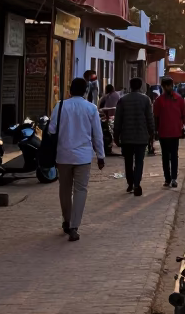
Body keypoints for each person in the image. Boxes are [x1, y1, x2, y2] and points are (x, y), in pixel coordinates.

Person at [48, 76, 105, 242]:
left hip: (63, 155)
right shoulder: (91, 108)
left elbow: (52, 130)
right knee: (80, 191)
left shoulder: (60, 106)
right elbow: (97, 134)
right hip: (83, 157)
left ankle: (66, 220)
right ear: (86, 91)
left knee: (64, 189)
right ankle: (74, 226)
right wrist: (100, 156)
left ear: (70, 90)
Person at [114, 77, 156, 195]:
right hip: (141, 136)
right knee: (139, 161)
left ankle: (130, 183)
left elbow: (118, 120)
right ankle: (137, 183)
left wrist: (116, 135)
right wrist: (152, 133)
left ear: (130, 86)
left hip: (126, 137)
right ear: (141, 86)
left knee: (128, 161)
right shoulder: (146, 100)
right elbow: (149, 119)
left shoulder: (123, 100)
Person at [153, 77, 185, 188]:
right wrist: (155, 131)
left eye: (170, 85)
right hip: (163, 133)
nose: (169, 87)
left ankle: (173, 178)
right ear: (163, 87)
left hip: (175, 133)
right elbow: (156, 117)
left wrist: (183, 127)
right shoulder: (159, 101)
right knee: (165, 157)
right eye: (167, 86)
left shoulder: (179, 99)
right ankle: (167, 178)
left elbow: (184, 115)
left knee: (174, 156)